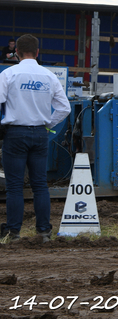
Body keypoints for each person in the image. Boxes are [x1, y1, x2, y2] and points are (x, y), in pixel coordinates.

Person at [0, 34, 71, 242]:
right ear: (38, 52)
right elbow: (64, 108)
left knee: (14, 186)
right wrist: (47, 123)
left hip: (15, 133)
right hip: (40, 133)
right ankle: (44, 232)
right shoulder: (49, 76)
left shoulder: (9, 74)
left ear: (17, 53)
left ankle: (13, 233)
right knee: (40, 184)